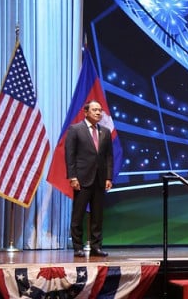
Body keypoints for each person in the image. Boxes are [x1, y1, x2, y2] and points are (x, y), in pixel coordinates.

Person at [66, 100, 114, 257]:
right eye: (95, 110)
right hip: (82, 179)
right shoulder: (75, 129)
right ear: (86, 112)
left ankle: (96, 247)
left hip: (100, 180)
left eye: (100, 110)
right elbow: (70, 155)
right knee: (78, 215)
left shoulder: (105, 132)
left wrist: (108, 177)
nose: (98, 113)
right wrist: (72, 176)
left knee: (97, 216)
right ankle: (77, 247)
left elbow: (108, 157)